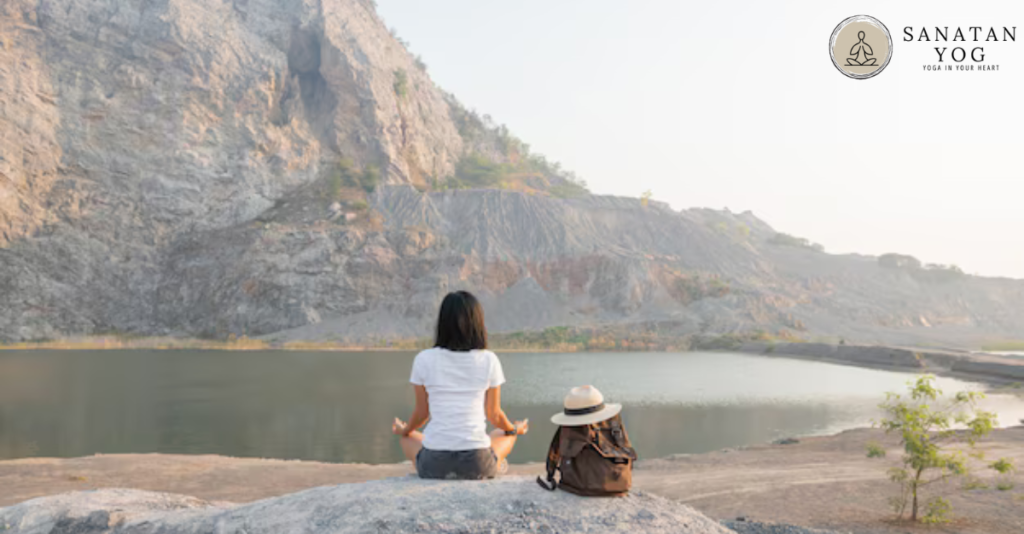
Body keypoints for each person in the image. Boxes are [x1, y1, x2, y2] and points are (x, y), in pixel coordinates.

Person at [392, 290, 529, 479]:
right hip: (476, 464)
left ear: (442, 323)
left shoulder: (424, 359)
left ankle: (431, 463)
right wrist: (515, 429)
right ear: (478, 323)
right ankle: (495, 463)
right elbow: (494, 414)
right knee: (504, 432)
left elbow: (422, 414)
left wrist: (404, 429)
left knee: (408, 438)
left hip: (434, 464)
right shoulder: (488, 359)